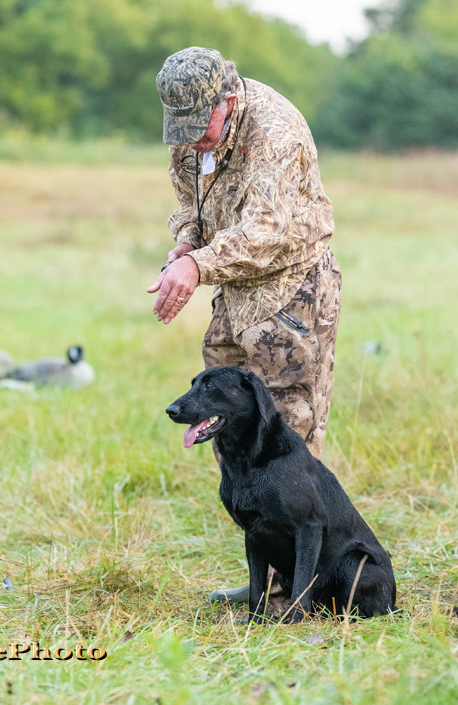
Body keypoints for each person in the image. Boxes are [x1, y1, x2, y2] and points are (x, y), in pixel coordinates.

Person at [147, 46, 342, 605]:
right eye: (177, 128)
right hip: (232, 292)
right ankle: (265, 576)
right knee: (227, 422)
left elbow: (268, 229)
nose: (189, 140)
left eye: (198, 127)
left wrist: (198, 264)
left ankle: (296, 589)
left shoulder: (274, 132)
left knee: (287, 435)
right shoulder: (190, 132)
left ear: (228, 101)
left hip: (290, 291)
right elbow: (191, 204)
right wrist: (183, 244)